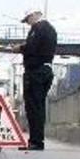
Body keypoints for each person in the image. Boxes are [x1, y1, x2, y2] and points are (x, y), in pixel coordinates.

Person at [13, 9, 57, 151]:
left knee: (33, 108)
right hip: (45, 70)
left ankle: (36, 141)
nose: (27, 23)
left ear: (33, 15)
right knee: (38, 107)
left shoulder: (38, 29)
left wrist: (20, 48)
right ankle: (36, 140)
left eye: (27, 20)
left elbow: (32, 48)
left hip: (36, 72)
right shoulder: (50, 29)